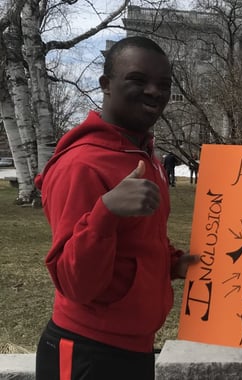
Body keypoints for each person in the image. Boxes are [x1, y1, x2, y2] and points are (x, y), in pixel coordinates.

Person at [34, 36, 196, 380]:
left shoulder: (141, 155)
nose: (155, 91)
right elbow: (74, 283)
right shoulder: (81, 164)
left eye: (164, 84)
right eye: (138, 79)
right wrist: (106, 212)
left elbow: (138, 242)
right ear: (106, 85)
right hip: (87, 353)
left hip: (133, 348)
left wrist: (175, 263)